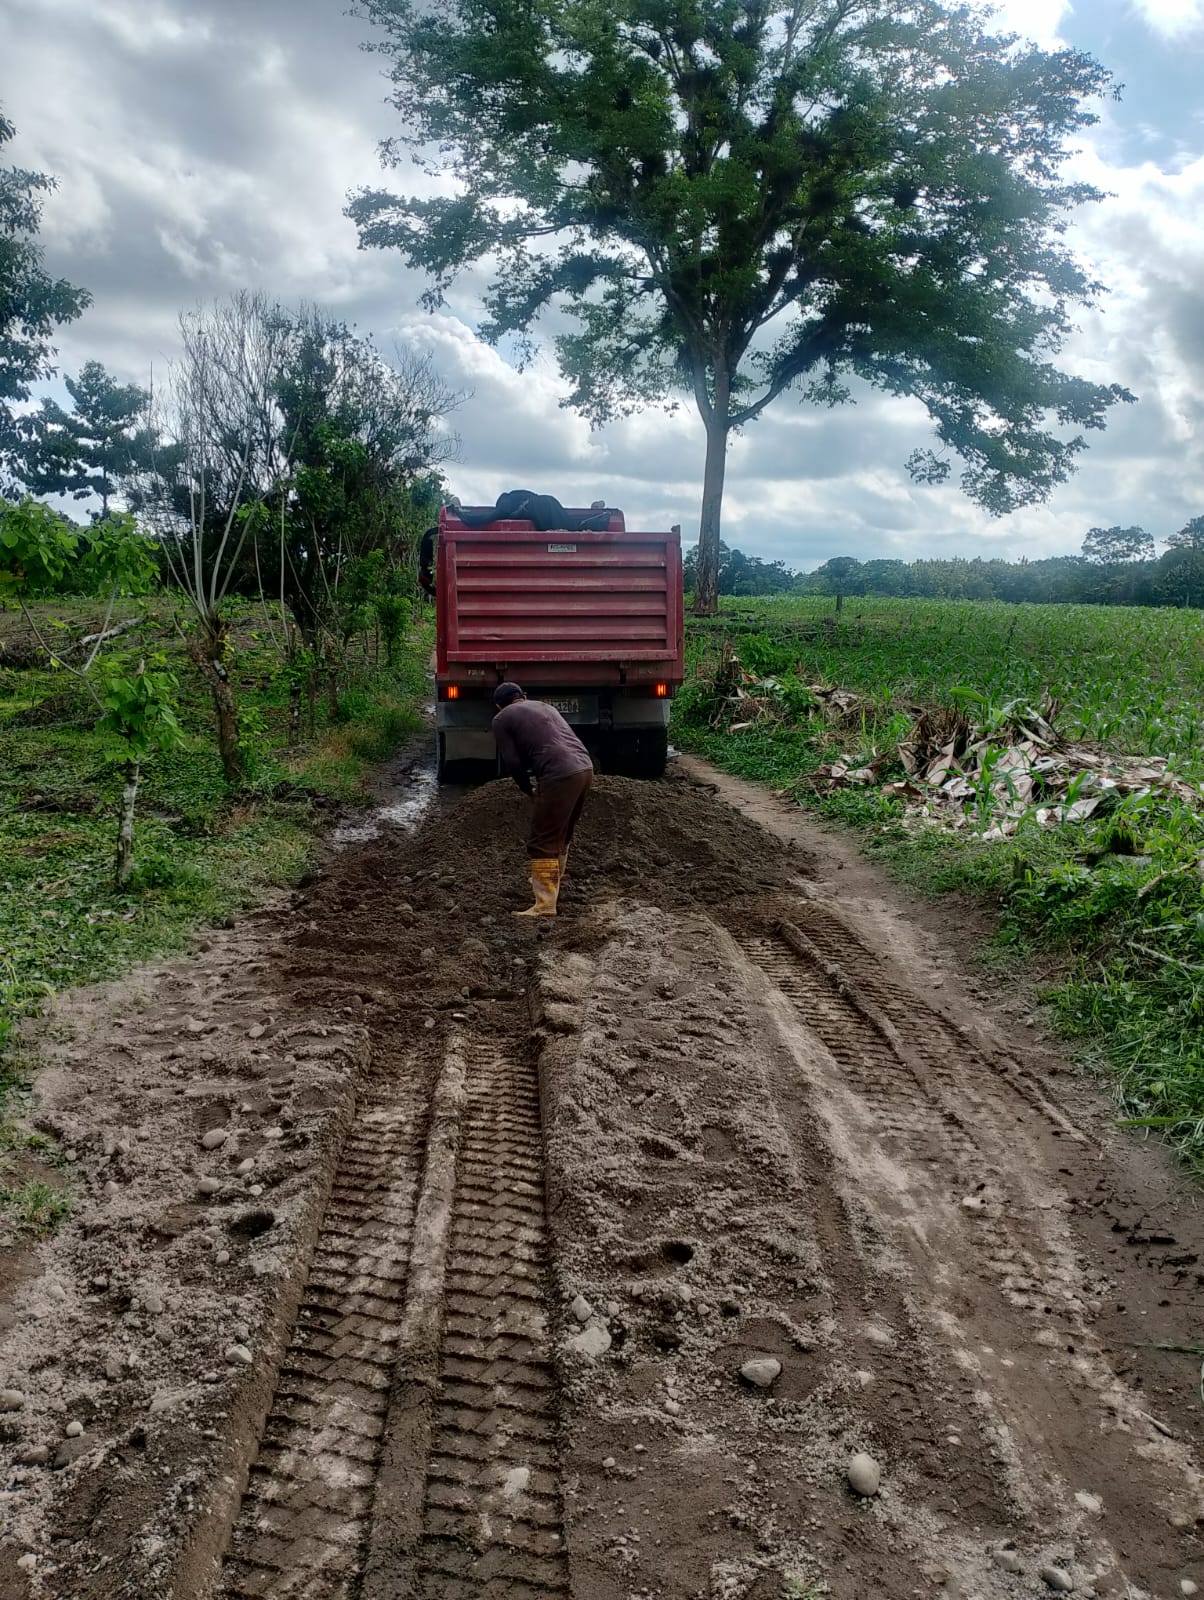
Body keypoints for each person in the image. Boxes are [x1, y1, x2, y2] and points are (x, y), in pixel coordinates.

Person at [492, 682, 594, 916]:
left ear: (498, 705)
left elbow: (513, 762)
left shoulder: (501, 718)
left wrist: (527, 789)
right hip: (585, 768)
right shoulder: (545, 707)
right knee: (562, 833)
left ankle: (545, 904)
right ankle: (552, 881)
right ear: (523, 696)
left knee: (542, 840)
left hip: (559, 774)